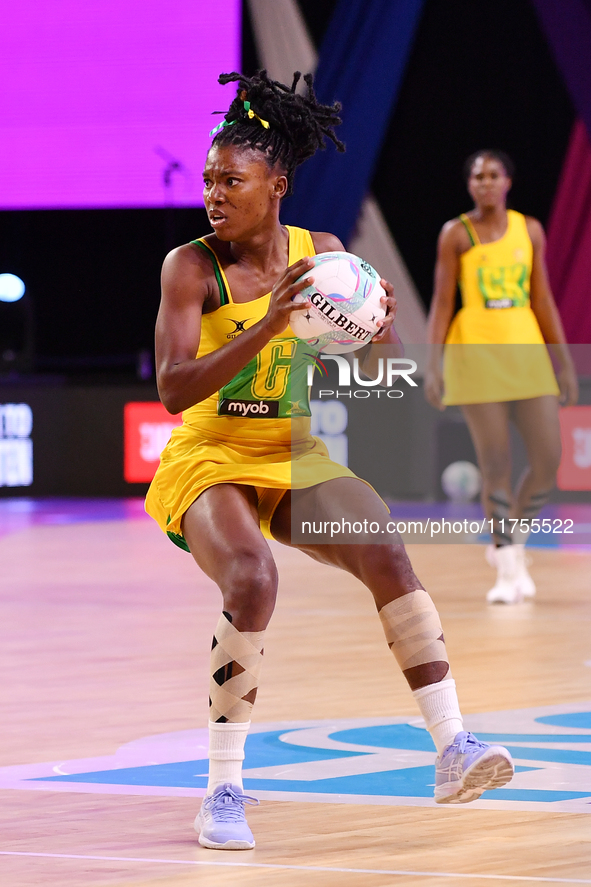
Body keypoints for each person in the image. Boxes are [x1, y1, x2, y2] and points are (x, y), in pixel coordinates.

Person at [146, 73, 514, 851]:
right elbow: (175, 388)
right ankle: (221, 789)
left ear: (275, 186)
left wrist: (369, 330)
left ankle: (452, 748)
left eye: (231, 180)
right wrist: (269, 321)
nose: (213, 193)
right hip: (211, 450)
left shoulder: (327, 256)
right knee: (252, 577)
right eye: (210, 179)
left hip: (292, 445)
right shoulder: (191, 266)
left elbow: (352, 357)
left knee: (383, 543)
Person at [425, 150, 578, 604]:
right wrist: (432, 364)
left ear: (508, 181)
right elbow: (441, 303)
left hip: (526, 351)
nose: (485, 183)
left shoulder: (529, 229)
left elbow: (543, 298)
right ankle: (508, 568)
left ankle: (511, 541)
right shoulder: (457, 233)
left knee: (549, 459)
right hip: (475, 352)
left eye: (493, 175)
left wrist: (563, 360)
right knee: (495, 464)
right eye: (477, 176)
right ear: (469, 184)